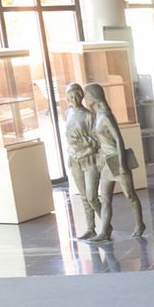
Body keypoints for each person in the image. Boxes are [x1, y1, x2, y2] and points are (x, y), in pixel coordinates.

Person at [84, 81, 145, 240]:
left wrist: (123, 165)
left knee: (130, 196)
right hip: (106, 163)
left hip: (116, 161)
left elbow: (119, 139)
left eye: (87, 95)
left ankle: (140, 224)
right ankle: (104, 231)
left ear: (94, 96)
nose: (86, 99)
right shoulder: (97, 115)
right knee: (105, 199)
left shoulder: (106, 116)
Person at [62, 83, 99, 239]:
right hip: (74, 159)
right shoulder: (68, 113)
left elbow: (96, 141)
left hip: (89, 159)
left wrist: (85, 146)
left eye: (76, 95)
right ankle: (91, 228)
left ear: (82, 96)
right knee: (84, 197)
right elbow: (69, 138)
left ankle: (106, 224)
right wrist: (71, 154)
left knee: (92, 197)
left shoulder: (89, 116)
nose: (74, 99)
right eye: (70, 96)